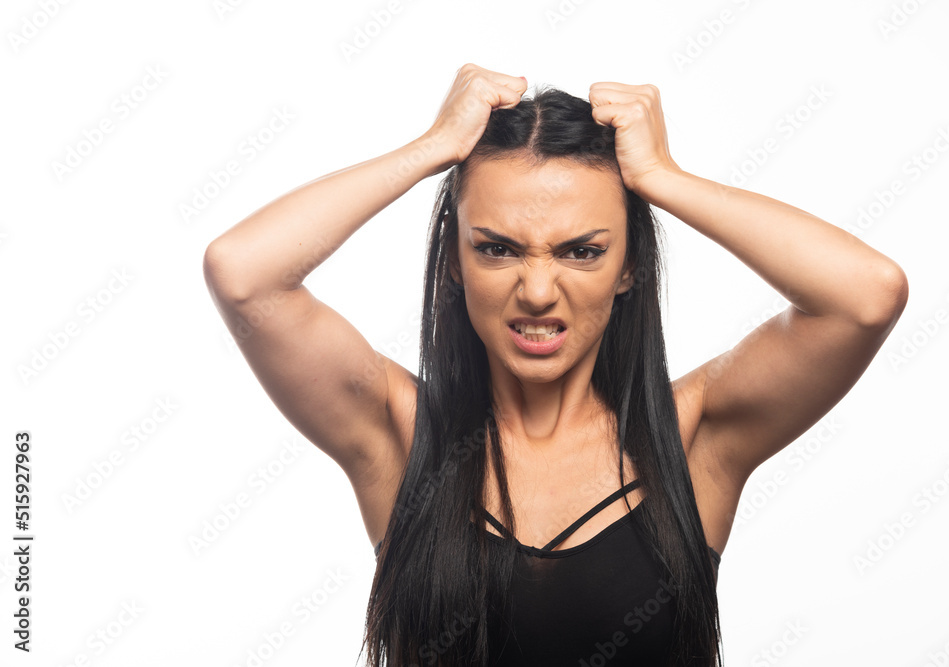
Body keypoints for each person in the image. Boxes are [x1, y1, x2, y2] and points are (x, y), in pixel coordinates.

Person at [202, 63, 908, 666]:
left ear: (629, 264)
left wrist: (662, 178)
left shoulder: (696, 435)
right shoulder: (398, 431)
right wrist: (433, 148)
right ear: (454, 259)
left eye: (582, 250)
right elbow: (244, 274)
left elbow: (865, 296)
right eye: (498, 248)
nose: (538, 292)